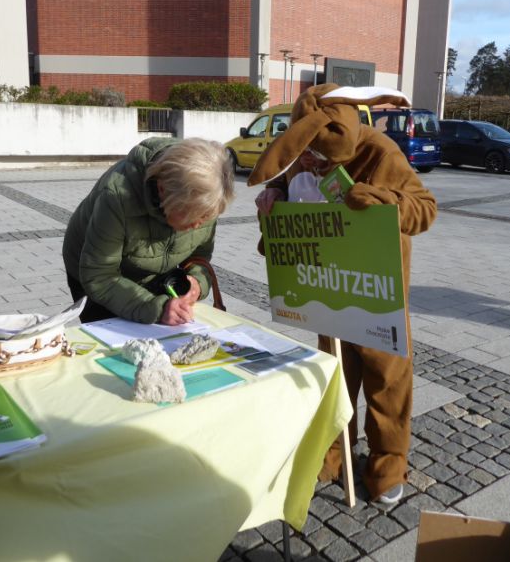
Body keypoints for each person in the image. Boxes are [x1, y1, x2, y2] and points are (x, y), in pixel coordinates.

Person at [251, 84, 437, 505]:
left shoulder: (381, 152)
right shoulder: (304, 150)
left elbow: (425, 209)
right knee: (333, 377)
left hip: (377, 292)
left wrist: (384, 200)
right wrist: (273, 201)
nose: (312, 163)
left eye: (320, 157)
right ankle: (333, 456)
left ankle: (388, 466)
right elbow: (285, 205)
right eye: (308, 154)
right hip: (326, 291)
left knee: (387, 382)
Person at [63, 137, 234, 325]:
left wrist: (197, 283)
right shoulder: (117, 196)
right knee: (115, 344)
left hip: (150, 271)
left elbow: (199, 256)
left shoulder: (205, 199)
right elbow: (99, 276)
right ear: (162, 190)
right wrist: (157, 309)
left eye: (206, 218)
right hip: (95, 273)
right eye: (192, 217)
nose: (198, 226)